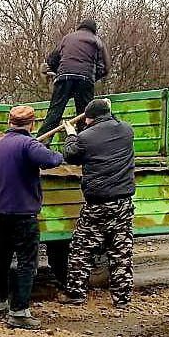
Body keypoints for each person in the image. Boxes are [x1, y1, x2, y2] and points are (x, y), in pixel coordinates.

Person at [0, 105, 66, 329]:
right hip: (23, 213)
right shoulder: (29, 144)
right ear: (32, 123)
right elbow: (51, 160)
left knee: (1, 259)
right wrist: (60, 152)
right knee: (26, 262)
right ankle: (19, 312)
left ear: (9, 122)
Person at [59, 98, 136, 309]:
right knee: (121, 252)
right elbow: (113, 123)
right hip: (123, 203)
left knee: (81, 249)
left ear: (88, 118)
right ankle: (122, 299)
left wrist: (71, 135)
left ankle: (75, 294)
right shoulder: (127, 131)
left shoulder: (85, 137)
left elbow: (71, 156)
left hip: (97, 204)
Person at [37, 19, 111, 138]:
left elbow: (51, 61)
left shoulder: (67, 38)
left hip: (63, 78)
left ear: (79, 27)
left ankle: (42, 143)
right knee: (85, 114)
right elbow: (105, 68)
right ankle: (85, 143)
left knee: (54, 112)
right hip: (85, 79)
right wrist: (92, 77)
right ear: (94, 30)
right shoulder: (97, 41)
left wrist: (59, 72)